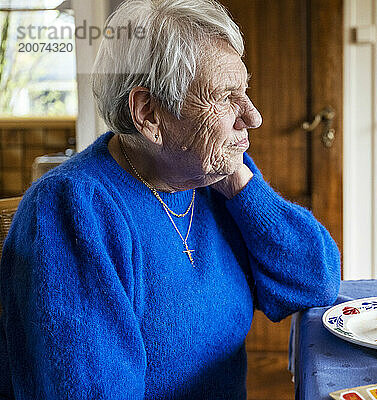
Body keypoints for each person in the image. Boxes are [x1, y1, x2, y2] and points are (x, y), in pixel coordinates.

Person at [0, 0, 341, 398]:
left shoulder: (205, 177)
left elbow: (315, 282)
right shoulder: (73, 212)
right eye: (226, 96)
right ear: (148, 114)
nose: (252, 116)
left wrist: (242, 186)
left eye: (245, 90)